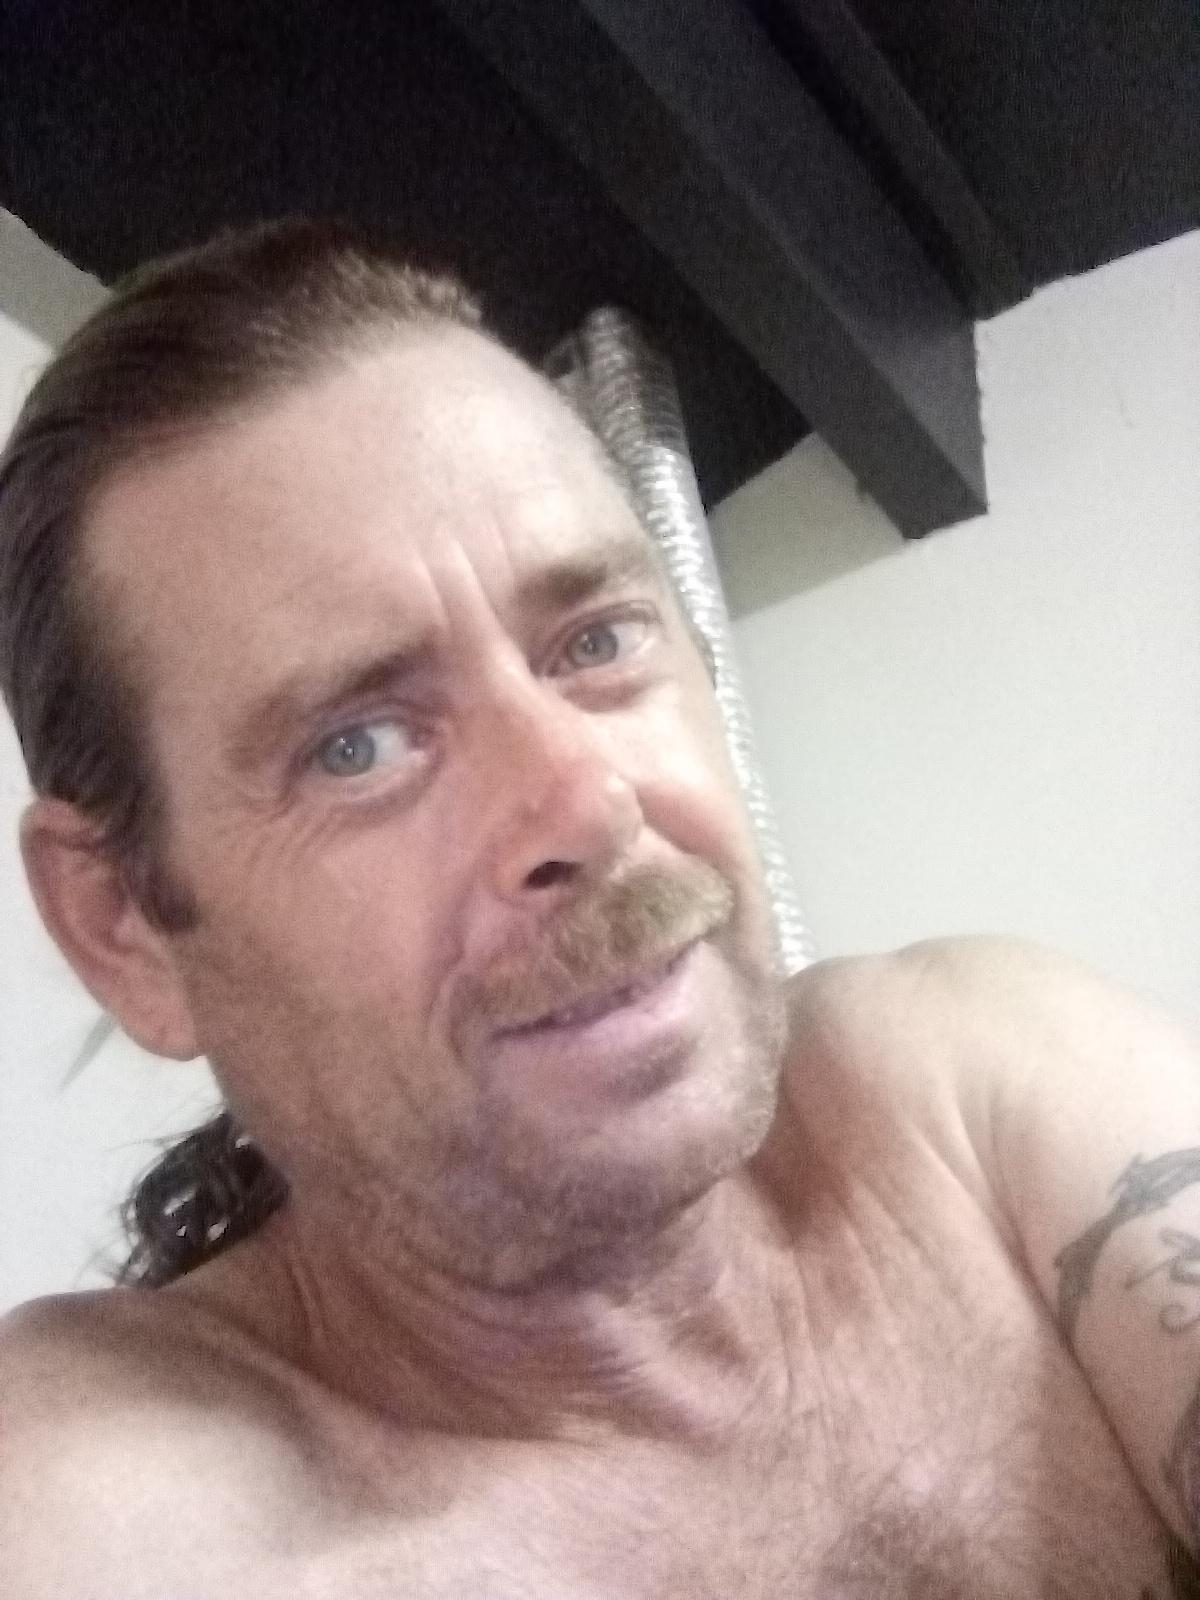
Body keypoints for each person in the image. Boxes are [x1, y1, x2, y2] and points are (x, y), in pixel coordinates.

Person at [0, 219, 1197, 1600]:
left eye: (597, 640)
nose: (587, 803)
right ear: (126, 928)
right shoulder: (108, 1498)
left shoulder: (961, 1083)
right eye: (356, 746)